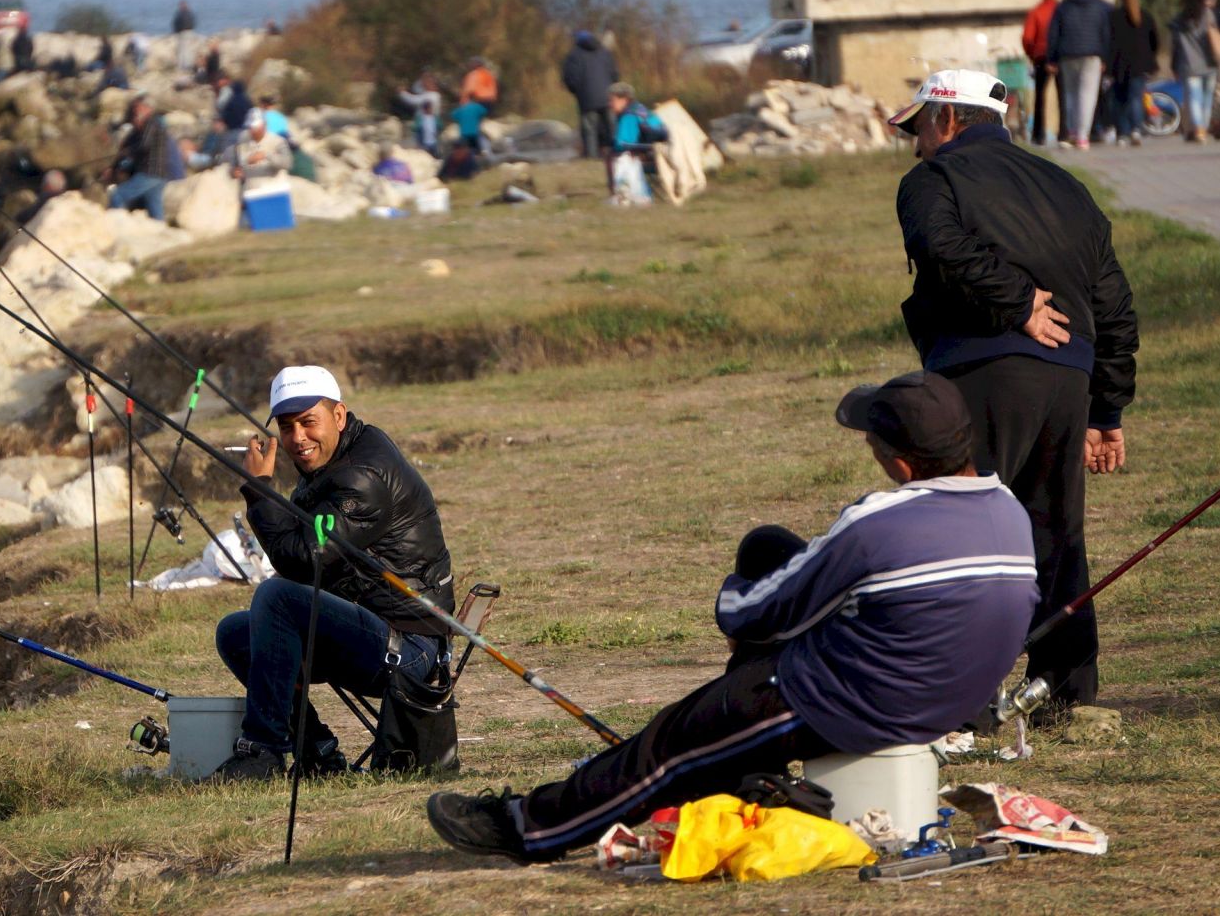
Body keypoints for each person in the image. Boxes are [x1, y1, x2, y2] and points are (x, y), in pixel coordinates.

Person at [425, 371, 1038, 862]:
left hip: (854, 701)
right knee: (770, 545)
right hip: (950, 696)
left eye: (873, 444)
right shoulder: (1009, 511)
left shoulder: (879, 523)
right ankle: (748, 773)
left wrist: (734, 588)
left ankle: (529, 827)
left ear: (900, 464)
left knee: (671, 743)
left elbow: (749, 613)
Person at [886, 67, 1139, 710]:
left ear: (946, 120)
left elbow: (939, 246)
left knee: (971, 531)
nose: (915, 143)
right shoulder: (1067, 185)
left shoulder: (931, 180)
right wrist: (1105, 405)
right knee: (1058, 532)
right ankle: (1068, 690)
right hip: (1068, 383)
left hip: (981, 371)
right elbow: (1112, 302)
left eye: (918, 128)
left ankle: (969, 701)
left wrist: (1017, 304)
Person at [211, 366, 456, 780]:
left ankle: (263, 751)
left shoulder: (363, 476)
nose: (298, 439)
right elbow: (306, 557)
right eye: (287, 427)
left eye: (309, 422)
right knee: (236, 633)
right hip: (371, 624)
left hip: (409, 649)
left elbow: (302, 561)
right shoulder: (338, 458)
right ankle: (317, 752)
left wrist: (259, 490)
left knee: (277, 596)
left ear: (339, 416)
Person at [1045, 0, 1114, 149]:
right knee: (1087, 95)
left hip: (1067, 55)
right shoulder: (1102, 6)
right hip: (1092, 55)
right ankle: (1083, 136)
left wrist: (1051, 58)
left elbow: (1054, 33)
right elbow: (1107, 33)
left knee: (1070, 94)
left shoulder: (1063, 6)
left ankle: (1072, 132)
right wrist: (1106, 57)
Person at [106, 95, 180, 220]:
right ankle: (160, 233)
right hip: (159, 175)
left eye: (138, 107)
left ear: (148, 108)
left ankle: (117, 227)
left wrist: (127, 152)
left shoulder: (151, 123)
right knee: (155, 210)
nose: (135, 111)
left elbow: (143, 145)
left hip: (149, 173)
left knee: (117, 195)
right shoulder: (148, 126)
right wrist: (115, 166)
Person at [1170, 0, 1220, 143]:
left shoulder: (1179, 20)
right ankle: (1203, 128)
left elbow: (1175, 45)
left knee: (1194, 98)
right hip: (1210, 63)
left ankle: (1198, 128)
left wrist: (1174, 66)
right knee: (1207, 99)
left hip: (1189, 64)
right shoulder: (1208, 15)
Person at [1108, 0, 1160, 146]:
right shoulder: (1145, 16)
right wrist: (1151, 60)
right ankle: (1136, 130)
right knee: (1136, 98)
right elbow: (1155, 41)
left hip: (1119, 65)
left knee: (1120, 100)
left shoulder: (1113, 17)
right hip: (1140, 64)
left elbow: (1108, 42)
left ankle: (1122, 133)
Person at [561, 30, 619, 158]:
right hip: (608, 97)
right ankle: (617, 154)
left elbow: (570, 79)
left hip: (587, 99)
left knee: (590, 130)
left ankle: (592, 158)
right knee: (612, 128)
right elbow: (614, 74)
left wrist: (577, 92)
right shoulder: (604, 52)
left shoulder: (574, 55)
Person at [1021, 0, 1062, 145]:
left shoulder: (1035, 12)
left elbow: (1027, 38)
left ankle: (1039, 134)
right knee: (1064, 95)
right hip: (1061, 56)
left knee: (1040, 96)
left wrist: (1032, 55)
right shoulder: (1062, 9)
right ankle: (1065, 132)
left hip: (1041, 56)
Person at [230, 113, 292, 185]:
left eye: (256, 127)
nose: (253, 130)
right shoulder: (242, 140)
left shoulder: (278, 141)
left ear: (264, 125)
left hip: (274, 188)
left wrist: (266, 155)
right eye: (250, 127)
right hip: (250, 190)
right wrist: (233, 172)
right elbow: (234, 165)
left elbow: (287, 163)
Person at [173, 0, 198, 72]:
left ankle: (182, 66)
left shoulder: (180, 13)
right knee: (188, 49)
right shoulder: (190, 13)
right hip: (190, 31)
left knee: (182, 50)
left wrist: (176, 31)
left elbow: (176, 23)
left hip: (182, 32)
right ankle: (189, 65)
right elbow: (193, 22)